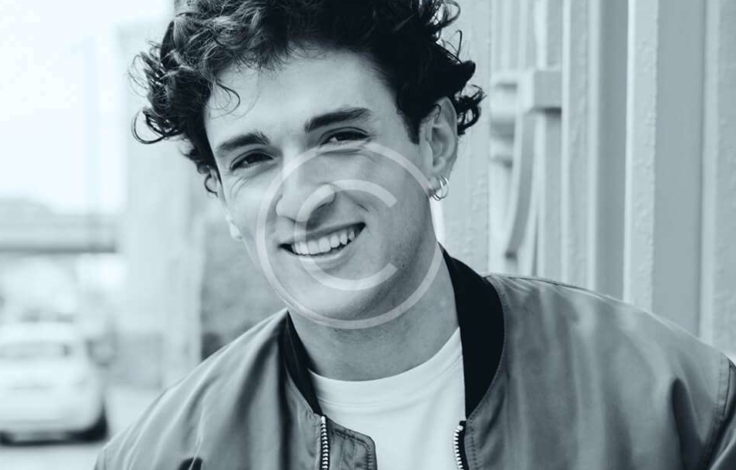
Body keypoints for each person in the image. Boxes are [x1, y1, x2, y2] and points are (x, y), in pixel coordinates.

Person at [95, 1, 736, 469]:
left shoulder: (676, 408)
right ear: (225, 200)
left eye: (340, 137)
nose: (303, 199)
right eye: (253, 159)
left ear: (434, 142)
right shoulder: (160, 458)